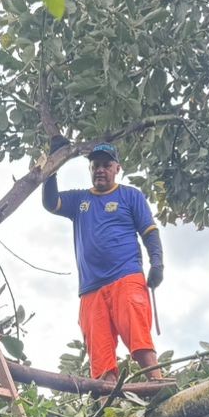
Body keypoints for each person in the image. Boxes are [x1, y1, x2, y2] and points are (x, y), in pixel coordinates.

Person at [41, 138, 166, 383]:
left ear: (117, 168)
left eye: (106, 165)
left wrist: (157, 263)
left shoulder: (130, 196)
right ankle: (109, 411)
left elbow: (149, 231)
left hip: (126, 278)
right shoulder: (79, 200)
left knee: (139, 339)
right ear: (90, 169)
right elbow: (50, 202)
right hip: (91, 290)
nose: (100, 169)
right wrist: (52, 167)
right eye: (95, 165)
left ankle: (159, 386)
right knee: (100, 357)